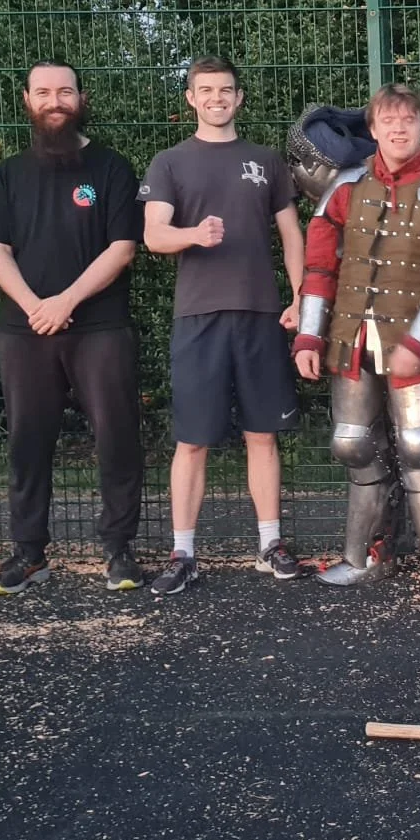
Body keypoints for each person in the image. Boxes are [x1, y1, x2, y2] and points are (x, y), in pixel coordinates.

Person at [292, 84, 420, 611]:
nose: (399, 130)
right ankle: (367, 554)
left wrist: (418, 343)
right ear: (372, 129)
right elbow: (320, 266)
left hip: (419, 340)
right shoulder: (346, 187)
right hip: (352, 335)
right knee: (352, 443)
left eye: (408, 121)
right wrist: (310, 334)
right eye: (388, 121)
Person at [0, 62, 147, 595]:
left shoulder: (113, 168)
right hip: (25, 330)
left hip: (100, 327)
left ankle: (119, 551)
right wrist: (34, 307)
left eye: (65, 91)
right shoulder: (9, 173)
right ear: (28, 99)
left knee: (117, 437)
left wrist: (65, 301)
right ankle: (29, 554)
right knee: (28, 439)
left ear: (81, 98)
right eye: (44, 92)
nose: (55, 100)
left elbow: (122, 248)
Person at [141, 56, 306, 595]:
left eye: (226, 90)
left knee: (262, 434)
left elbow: (291, 235)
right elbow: (153, 237)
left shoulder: (265, 160)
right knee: (192, 440)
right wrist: (194, 235)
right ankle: (183, 552)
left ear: (239, 98)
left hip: (260, 314)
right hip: (198, 317)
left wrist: (302, 296)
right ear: (190, 97)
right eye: (205, 90)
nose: (217, 98)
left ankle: (269, 543)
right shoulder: (169, 161)